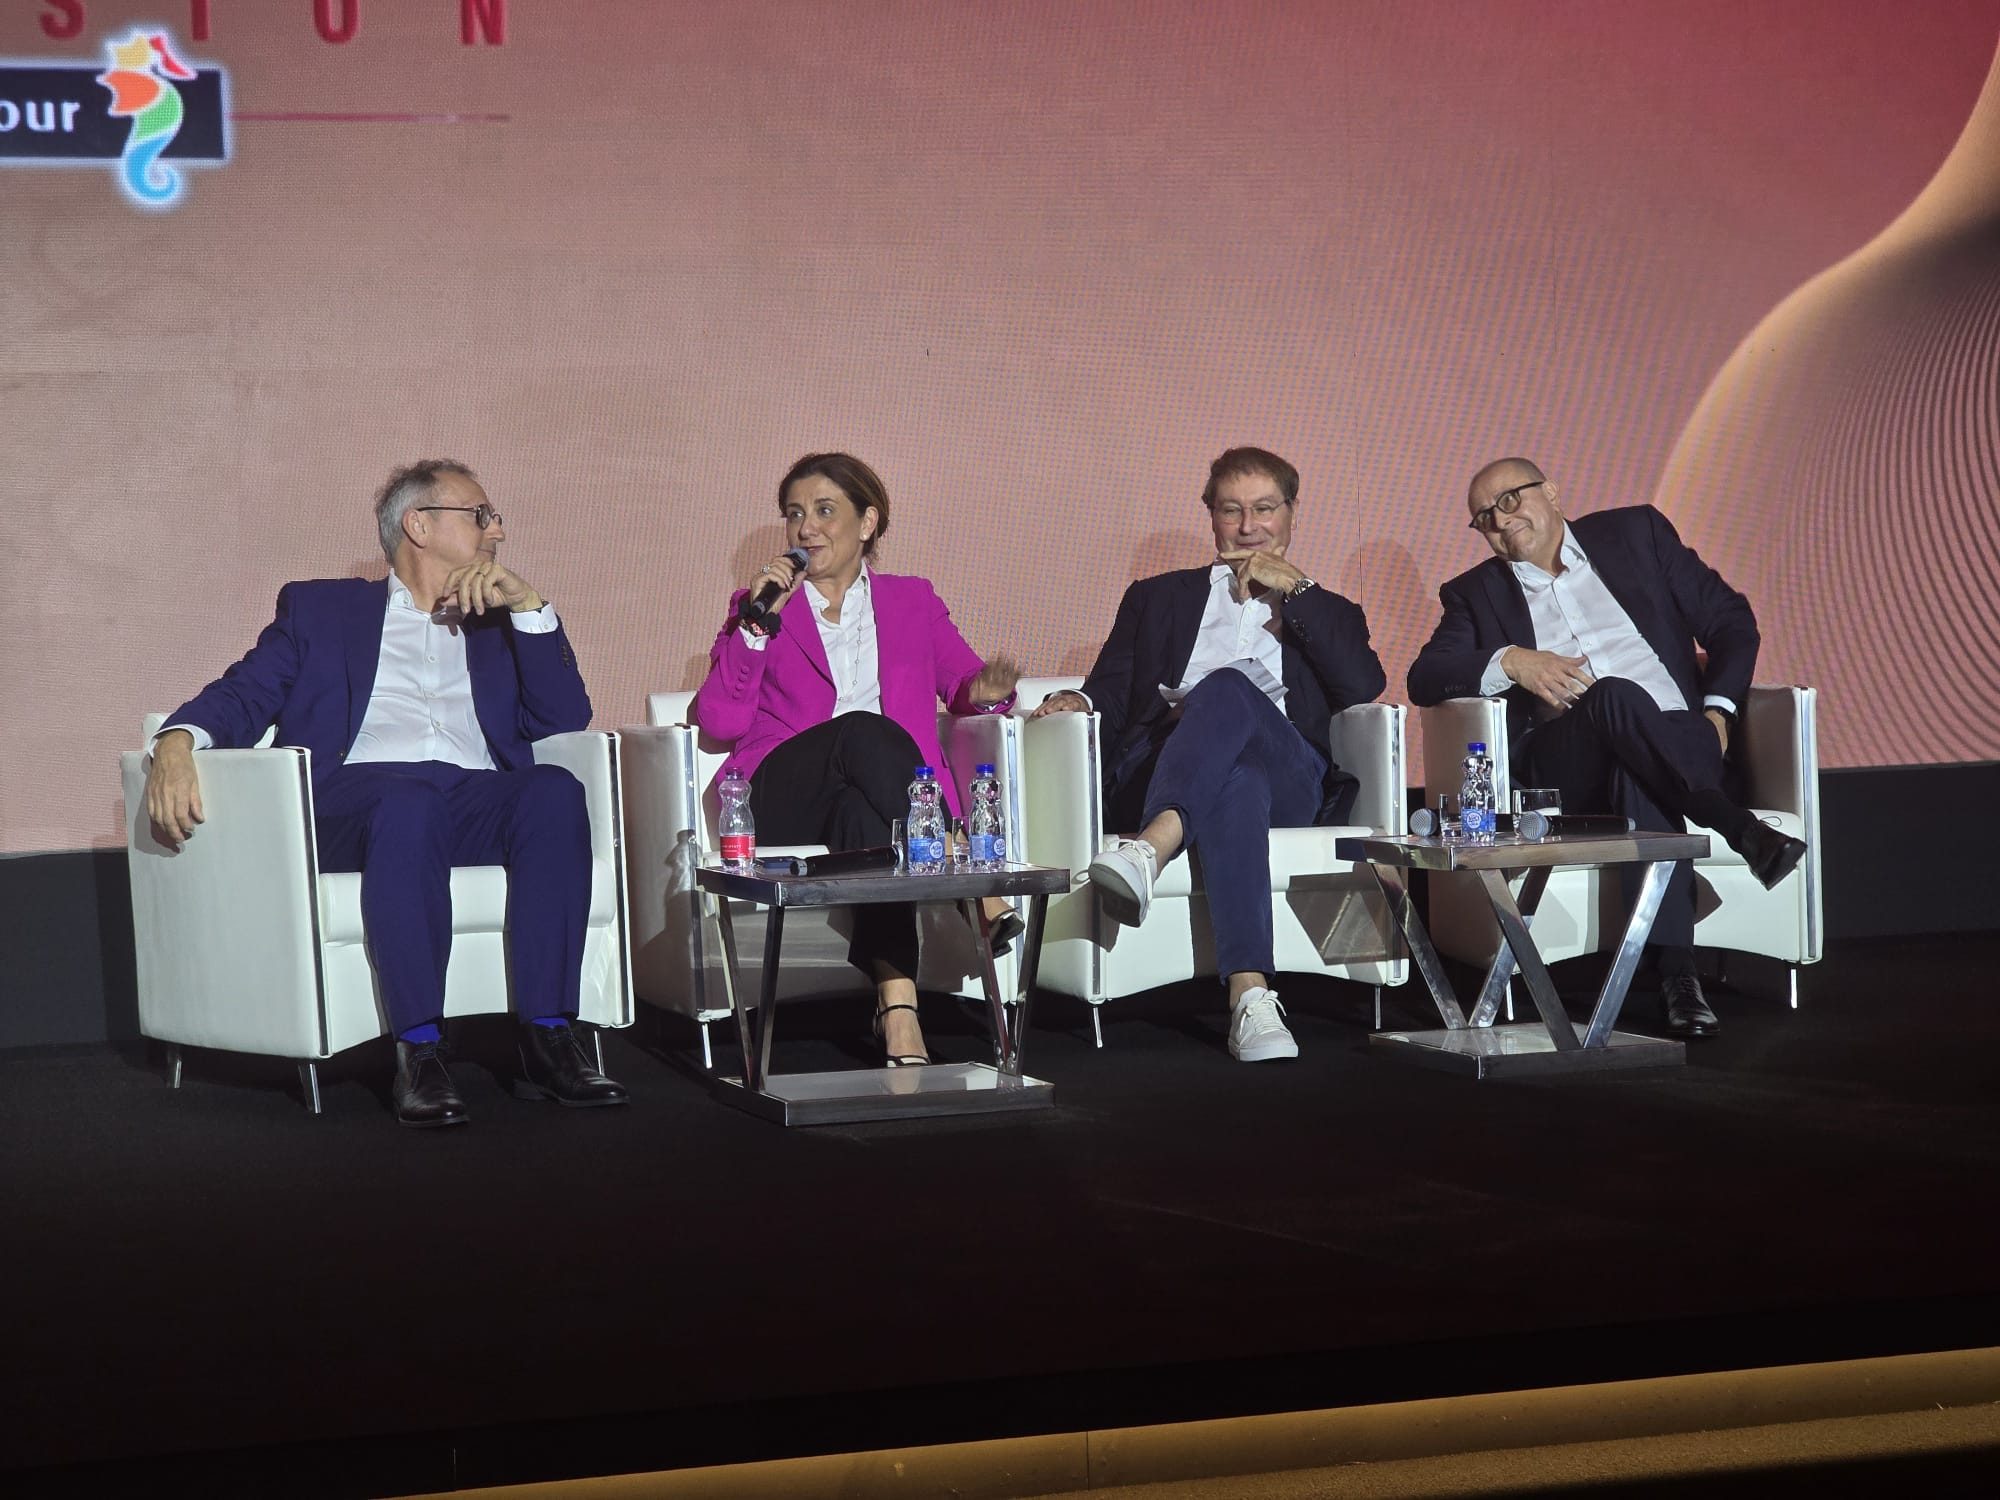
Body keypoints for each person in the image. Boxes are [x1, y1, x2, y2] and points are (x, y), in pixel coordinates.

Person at [143, 459, 627, 1126]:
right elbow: (246, 692)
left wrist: (531, 609)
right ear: (418, 525)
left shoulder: (495, 624)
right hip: (356, 800)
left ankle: (550, 1037)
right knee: (409, 801)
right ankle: (420, 1049)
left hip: (467, 794)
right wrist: (176, 740)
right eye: (481, 515)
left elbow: (562, 719)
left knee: (553, 791)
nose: (500, 531)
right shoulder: (323, 610)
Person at [1406, 456, 1809, 1038]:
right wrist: (1511, 661)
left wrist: (1719, 709)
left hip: (1678, 738)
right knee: (1613, 695)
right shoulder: (1476, 593)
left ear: (1551, 492)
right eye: (1483, 517)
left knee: (1637, 767)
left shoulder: (1636, 534)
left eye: (1510, 500)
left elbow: (1732, 621)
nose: (1499, 519)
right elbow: (1426, 677)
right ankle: (1736, 828)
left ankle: (1678, 974)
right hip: (1568, 760)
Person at [1034, 446, 1386, 1062]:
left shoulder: (1326, 610)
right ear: (1212, 518)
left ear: (1291, 513)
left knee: (1230, 687)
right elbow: (1112, 696)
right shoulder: (1157, 598)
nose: (1249, 527)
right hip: (1166, 761)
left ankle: (1152, 847)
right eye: (1232, 510)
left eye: (1264, 509)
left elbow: (1361, 686)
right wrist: (1074, 699)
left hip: (1292, 778)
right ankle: (1251, 998)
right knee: (1236, 779)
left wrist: (1296, 590)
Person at [695, 453, 1020, 1065]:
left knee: (867, 818)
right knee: (860, 730)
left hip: (879, 798)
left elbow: (964, 683)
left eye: (824, 511)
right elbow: (718, 721)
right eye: (794, 515)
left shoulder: (912, 601)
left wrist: (987, 693)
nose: (805, 529)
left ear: (868, 523)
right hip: (782, 792)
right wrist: (756, 626)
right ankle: (968, 878)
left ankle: (899, 1015)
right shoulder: (760, 605)